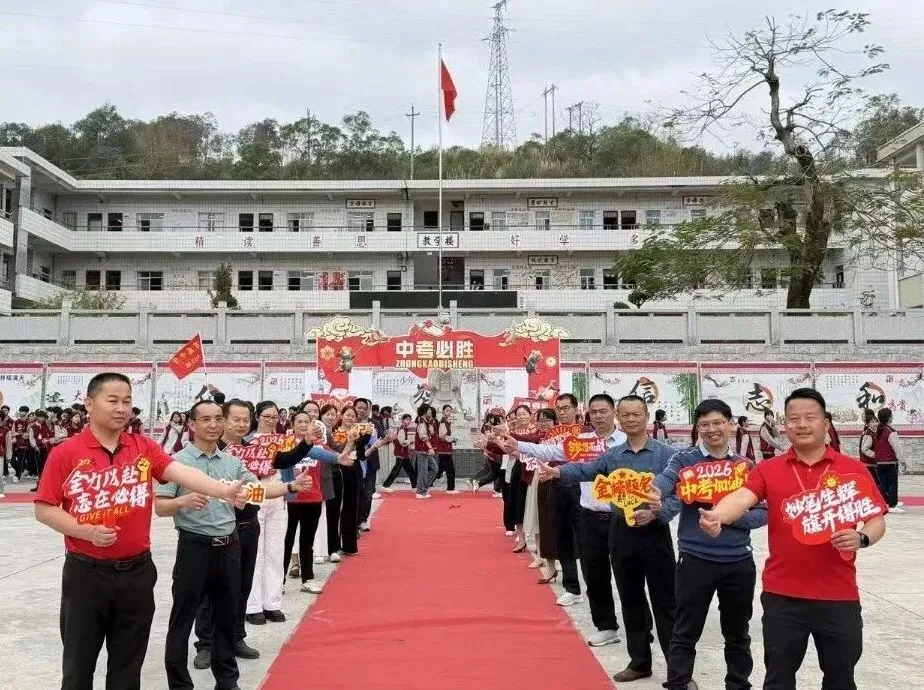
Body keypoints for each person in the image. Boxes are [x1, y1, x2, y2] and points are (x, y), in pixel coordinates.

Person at [33, 372, 248, 690]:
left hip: (136, 573)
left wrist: (222, 490)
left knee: (127, 668)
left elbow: (180, 471)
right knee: (78, 668)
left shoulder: (141, 447)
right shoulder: (67, 453)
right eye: (113, 400)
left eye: (127, 401)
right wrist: (85, 530)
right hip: (85, 574)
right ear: (89, 404)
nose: (122, 408)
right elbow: (44, 509)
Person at [696, 388, 888, 690]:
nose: (801, 424)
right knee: (779, 679)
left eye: (810, 418)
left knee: (841, 679)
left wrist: (861, 538)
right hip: (783, 596)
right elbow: (743, 497)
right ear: (785, 426)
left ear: (826, 424)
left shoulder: (852, 470)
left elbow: (876, 519)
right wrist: (718, 515)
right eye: (793, 419)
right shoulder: (769, 469)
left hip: (839, 596)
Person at [155, 400, 311, 690]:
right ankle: (179, 683)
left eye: (217, 419)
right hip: (194, 547)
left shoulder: (233, 462)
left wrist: (290, 487)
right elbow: (161, 507)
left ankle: (227, 681)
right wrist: (182, 502)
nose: (213, 425)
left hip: (229, 545)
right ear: (191, 424)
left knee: (227, 616)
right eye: (206, 419)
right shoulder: (177, 463)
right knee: (183, 617)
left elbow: (258, 489)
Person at [536, 395, 678, 683]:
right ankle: (639, 662)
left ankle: (678, 669)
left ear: (646, 416)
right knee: (630, 597)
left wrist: (659, 513)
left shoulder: (666, 455)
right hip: (621, 532)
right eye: (625, 415)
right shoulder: (612, 456)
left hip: (655, 533)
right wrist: (559, 471)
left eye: (635, 414)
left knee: (666, 601)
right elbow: (586, 470)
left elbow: (679, 494)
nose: (629, 420)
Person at [650, 399, 767, 690]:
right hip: (695, 560)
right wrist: (651, 493)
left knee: (738, 632)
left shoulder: (745, 467)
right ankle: (678, 683)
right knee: (685, 630)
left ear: (730, 424)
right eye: (704, 425)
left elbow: (764, 512)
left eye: (717, 423)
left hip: (738, 561)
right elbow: (663, 482)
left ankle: (738, 684)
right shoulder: (684, 461)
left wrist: (725, 517)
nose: (712, 430)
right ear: (697, 428)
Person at [502, 393, 629, 644]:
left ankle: (640, 627)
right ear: (589, 414)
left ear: (614, 412)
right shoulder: (581, 441)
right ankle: (606, 626)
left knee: (628, 574)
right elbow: (548, 449)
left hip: (623, 515)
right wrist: (517, 444)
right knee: (595, 574)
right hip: (590, 512)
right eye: (595, 412)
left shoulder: (626, 441)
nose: (599, 416)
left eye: (604, 411)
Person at [192, 399, 262, 670]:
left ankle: (235, 636)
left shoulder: (255, 451)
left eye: (246, 419)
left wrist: (256, 492)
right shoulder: (211, 452)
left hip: (247, 525)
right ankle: (206, 644)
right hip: (216, 528)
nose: (241, 424)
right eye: (236, 419)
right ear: (223, 420)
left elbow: (260, 488)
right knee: (211, 589)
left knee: (241, 586)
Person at [872, 407, 903, 512]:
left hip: (879, 462)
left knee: (883, 483)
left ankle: (884, 502)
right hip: (890, 461)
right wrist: (902, 460)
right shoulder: (890, 431)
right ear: (889, 418)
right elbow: (897, 448)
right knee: (892, 484)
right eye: (891, 415)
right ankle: (892, 504)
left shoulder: (877, 431)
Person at [380, 413, 417, 491]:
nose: (408, 421)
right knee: (396, 470)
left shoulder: (404, 428)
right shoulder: (402, 429)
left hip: (404, 453)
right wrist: (410, 441)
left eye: (409, 419)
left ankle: (415, 486)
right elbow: (402, 442)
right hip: (401, 452)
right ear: (403, 420)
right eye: (407, 419)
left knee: (410, 470)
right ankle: (385, 486)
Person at [432, 404, 459, 493]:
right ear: (443, 411)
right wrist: (453, 439)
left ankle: (428, 483)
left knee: (440, 469)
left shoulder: (446, 422)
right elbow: (442, 436)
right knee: (450, 469)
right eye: (447, 410)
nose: (449, 412)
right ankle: (450, 488)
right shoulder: (443, 422)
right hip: (444, 449)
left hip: (444, 449)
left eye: (450, 411)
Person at [414, 404, 438, 499]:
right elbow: (423, 436)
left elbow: (431, 433)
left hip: (425, 450)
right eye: (429, 410)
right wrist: (430, 448)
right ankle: (420, 491)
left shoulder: (426, 421)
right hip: (423, 450)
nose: (430, 412)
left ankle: (423, 488)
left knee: (434, 468)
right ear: (424, 411)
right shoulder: (421, 421)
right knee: (423, 471)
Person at [858, 408, 879, 488]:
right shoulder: (869, 433)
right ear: (868, 423)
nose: (875, 424)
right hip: (869, 462)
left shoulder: (871, 431)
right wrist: (875, 455)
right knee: (873, 483)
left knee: (872, 482)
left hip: (870, 462)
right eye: (872, 422)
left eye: (876, 421)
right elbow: (864, 449)